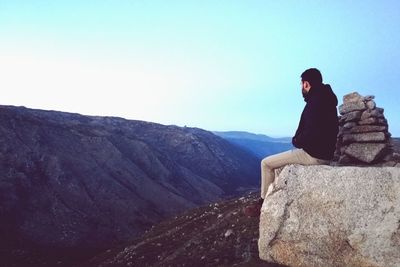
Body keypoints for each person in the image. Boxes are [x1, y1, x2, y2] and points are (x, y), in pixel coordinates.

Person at [244, 68, 339, 217]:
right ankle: (274, 197)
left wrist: (296, 140)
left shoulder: (315, 103)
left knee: (266, 163)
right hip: (326, 153)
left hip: (314, 155)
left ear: (306, 84)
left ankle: (264, 203)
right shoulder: (328, 101)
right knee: (277, 168)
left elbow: (310, 133)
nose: (301, 88)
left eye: (301, 85)